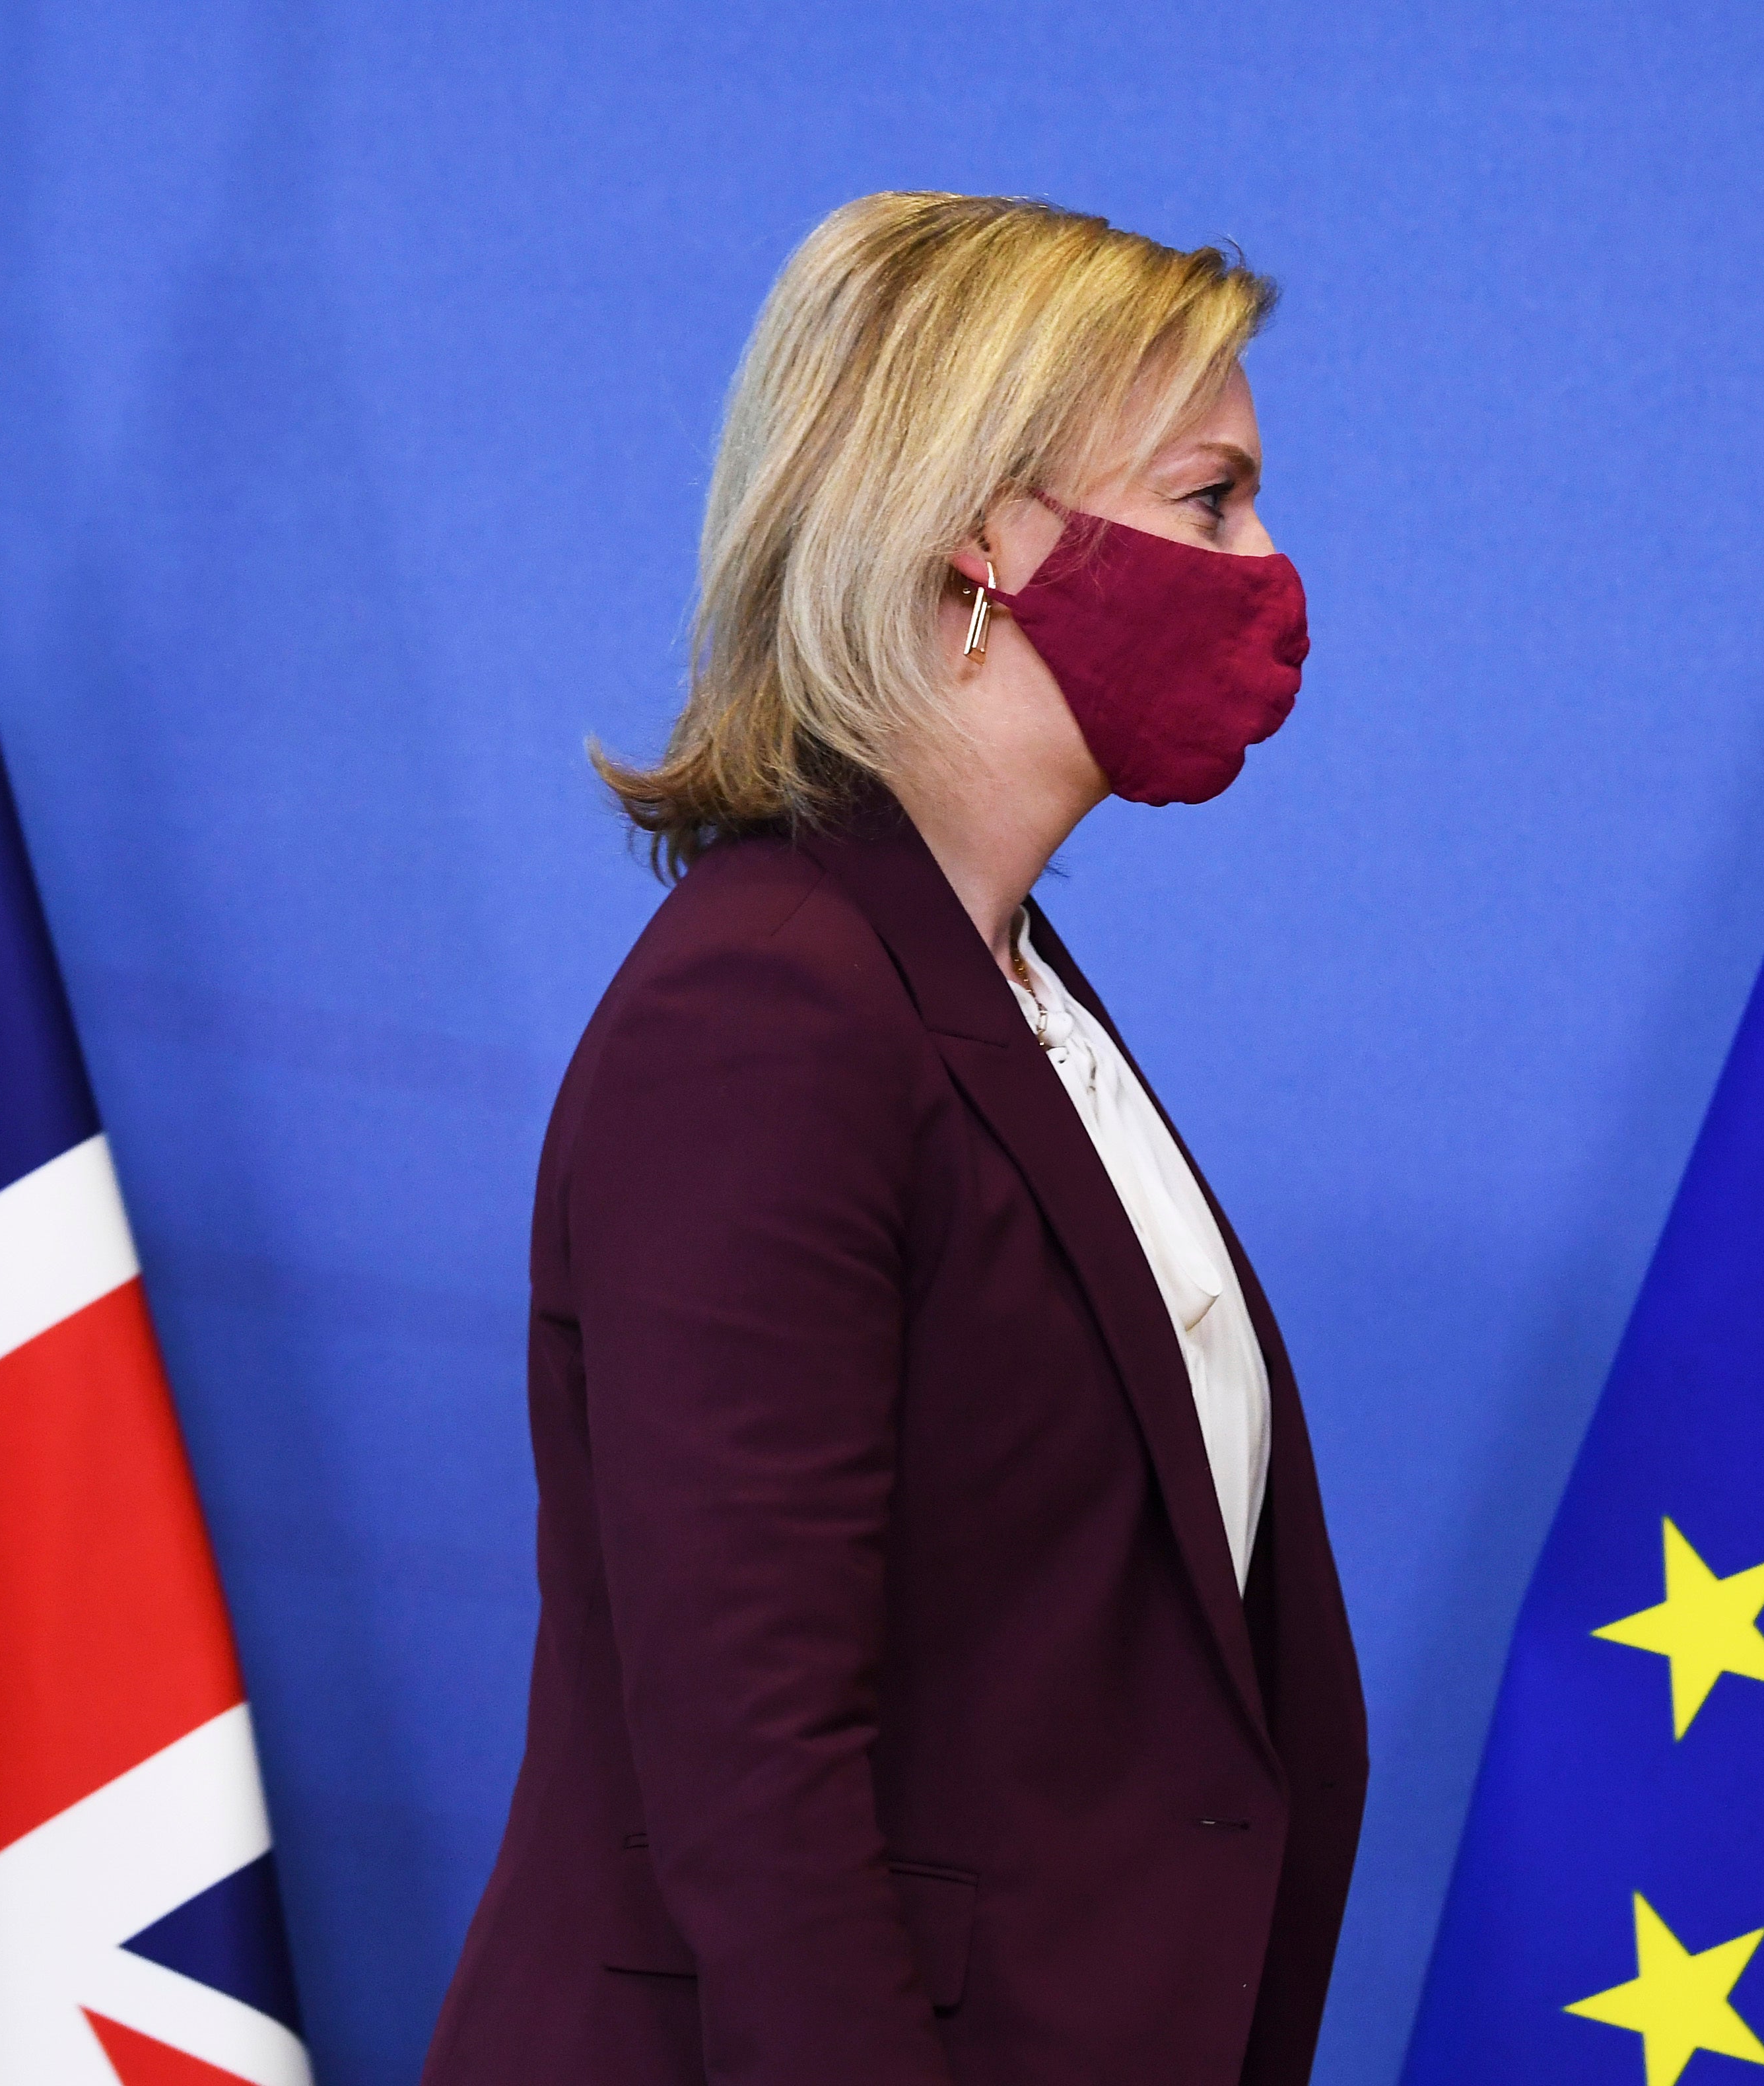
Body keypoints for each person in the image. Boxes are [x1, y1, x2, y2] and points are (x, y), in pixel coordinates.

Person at [423, 192, 1365, 2086]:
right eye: (1207, 499)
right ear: (975, 529)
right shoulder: (768, 1011)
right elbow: (753, 1768)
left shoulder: (1000, 988)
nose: (1266, 567)